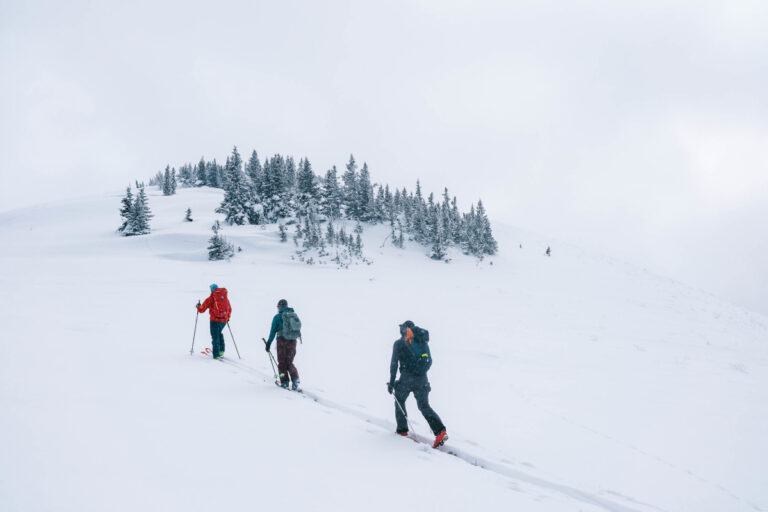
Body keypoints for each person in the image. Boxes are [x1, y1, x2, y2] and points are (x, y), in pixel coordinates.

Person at [388, 320, 448, 448]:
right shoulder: (421, 341)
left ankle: (402, 430)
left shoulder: (399, 344)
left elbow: (394, 364)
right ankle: (440, 432)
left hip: (406, 379)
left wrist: (392, 382)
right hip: (422, 379)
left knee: (399, 399)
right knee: (424, 406)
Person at [264, 299, 301, 390]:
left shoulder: (277, 317)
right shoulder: (293, 315)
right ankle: (295, 379)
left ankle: (284, 382)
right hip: (293, 341)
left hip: (282, 341)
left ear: (280, 306)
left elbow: (273, 331)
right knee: (289, 362)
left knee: (282, 363)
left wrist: (268, 343)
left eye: (278, 306)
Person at [196, 284, 232, 360]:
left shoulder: (211, 298)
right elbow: (229, 308)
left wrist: (198, 306)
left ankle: (216, 355)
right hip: (224, 320)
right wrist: (227, 317)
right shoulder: (224, 298)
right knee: (219, 333)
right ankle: (221, 350)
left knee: (215, 336)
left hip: (214, 320)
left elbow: (202, 310)